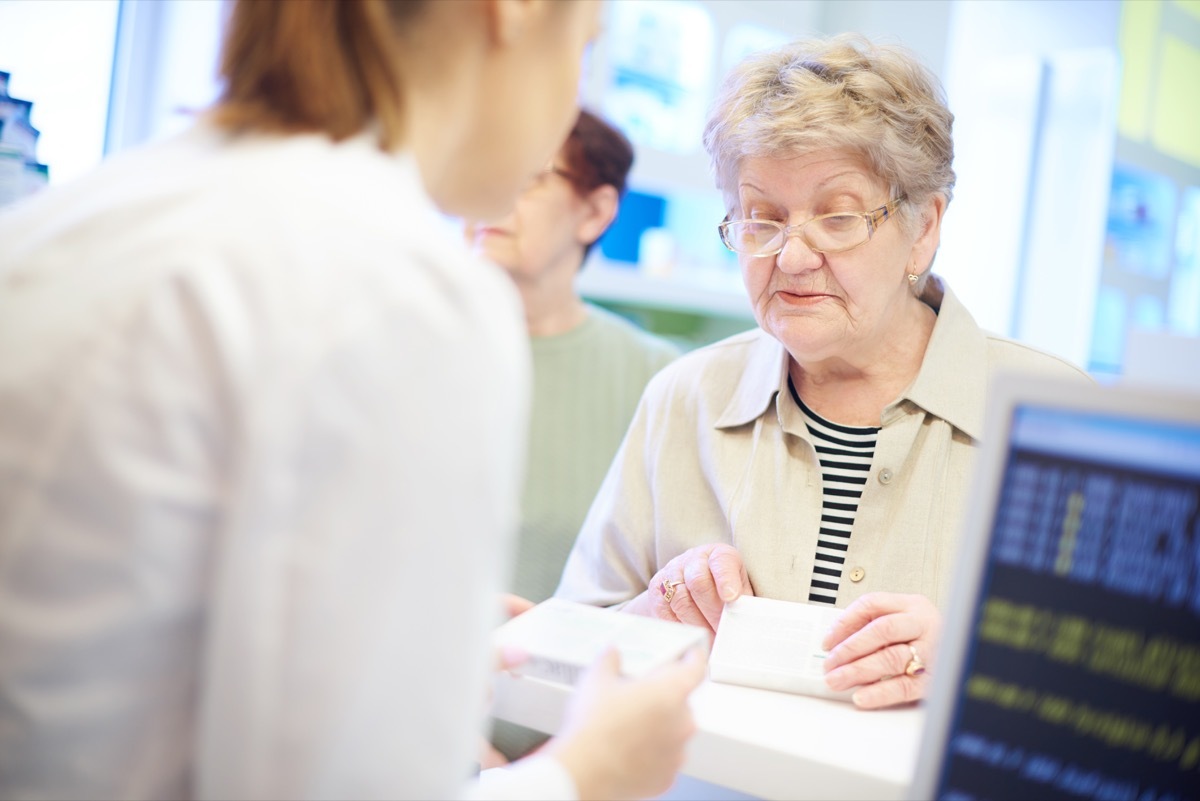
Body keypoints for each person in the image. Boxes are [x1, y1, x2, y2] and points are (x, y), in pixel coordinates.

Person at [0, 2, 704, 800]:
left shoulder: (85, 215)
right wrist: (588, 771)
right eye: (583, 43)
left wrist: (384, 644)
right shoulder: (397, 287)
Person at [554, 33, 1092, 710]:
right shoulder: (685, 397)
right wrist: (650, 616)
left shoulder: (1056, 414)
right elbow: (564, 649)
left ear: (923, 227)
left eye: (837, 218)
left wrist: (978, 660)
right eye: (761, 218)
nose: (792, 256)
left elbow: (1131, 700)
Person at [468, 109, 680, 605]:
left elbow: (667, 580)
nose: (489, 199)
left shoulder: (656, 378)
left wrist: (567, 633)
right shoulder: (406, 347)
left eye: (525, 178)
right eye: (478, 174)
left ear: (595, 212)